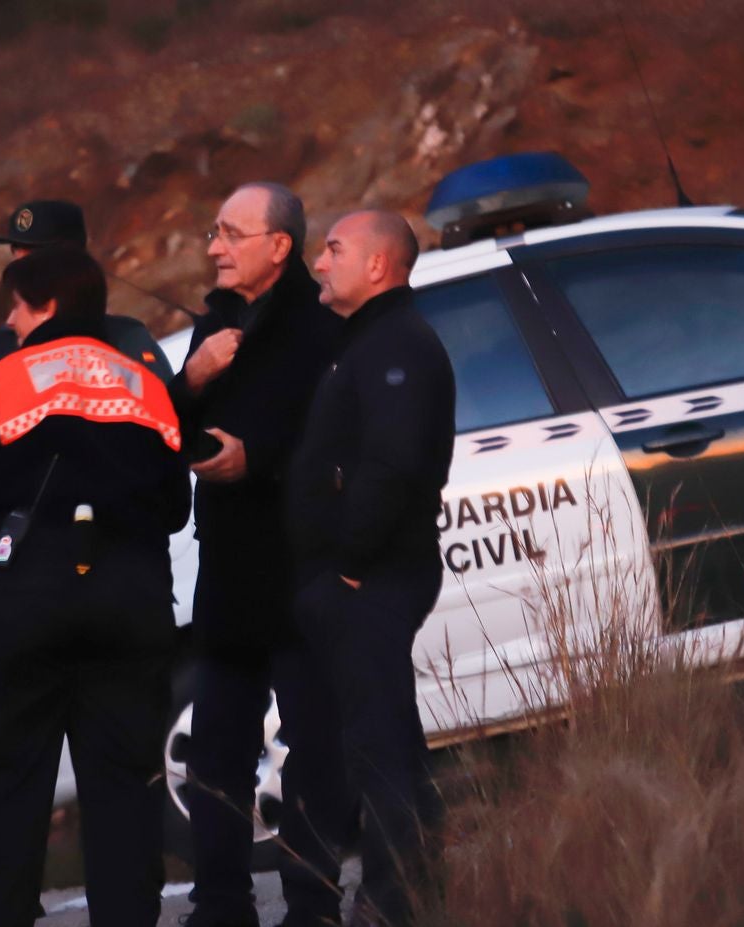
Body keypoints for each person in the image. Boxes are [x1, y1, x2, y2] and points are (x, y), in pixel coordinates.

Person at [0, 246, 191, 927]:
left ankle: (1, 914)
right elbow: (174, 505)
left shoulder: (1, 378)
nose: (10, 320)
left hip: (25, 606)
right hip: (128, 605)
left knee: (16, 778)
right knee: (122, 779)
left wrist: (7, 535)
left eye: (17, 305)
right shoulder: (141, 380)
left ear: (46, 306)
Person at [169, 183, 345, 927]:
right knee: (215, 749)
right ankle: (220, 906)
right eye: (214, 233)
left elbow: (345, 441)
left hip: (303, 565)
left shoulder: (325, 327)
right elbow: (163, 435)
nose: (213, 247)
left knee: (312, 745)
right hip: (230, 570)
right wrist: (193, 380)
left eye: (229, 233)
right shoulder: (213, 328)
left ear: (278, 246)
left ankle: (311, 905)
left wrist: (260, 460)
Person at [288, 210, 456, 927]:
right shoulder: (364, 342)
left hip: (373, 578)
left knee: (380, 750)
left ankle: (394, 905)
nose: (319, 264)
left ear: (379, 266)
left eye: (332, 250)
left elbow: (393, 464)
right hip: (358, 577)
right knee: (384, 740)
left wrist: (350, 566)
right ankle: (417, 891)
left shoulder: (397, 345)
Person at [0, 198, 173, 382]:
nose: (20, 261)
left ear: (75, 259)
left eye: (34, 252)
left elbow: (166, 410)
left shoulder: (125, 337)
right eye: (15, 249)